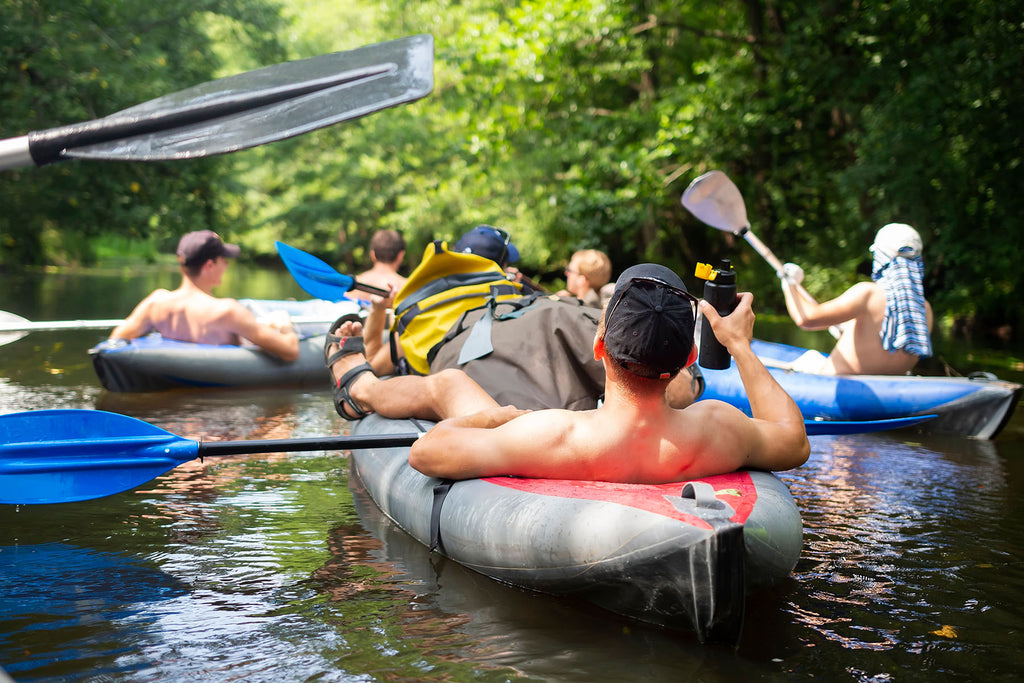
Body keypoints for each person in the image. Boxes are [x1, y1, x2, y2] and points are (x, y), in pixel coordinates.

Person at [326, 263, 809, 484]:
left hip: (559, 441)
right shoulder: (718, 427)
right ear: (687, 360)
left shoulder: (551, 433)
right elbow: (793, 440)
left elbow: (426, 454)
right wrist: (740, 346)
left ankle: (362, 386)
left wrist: (499, 418)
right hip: (674, 445)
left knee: (451, 384)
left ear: (599, 345)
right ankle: (364, 385)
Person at [109, 230, 300, 361]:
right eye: (223, 260)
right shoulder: (227, 310)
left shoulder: (156, 302)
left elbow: (117, 338)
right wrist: (285, 326)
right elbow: (290, 352)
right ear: (209, 265)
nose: (226, 265)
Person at [779, 222, 933, 375]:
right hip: (890, 388)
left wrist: (789, 285)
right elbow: (881, 341)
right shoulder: (924, 309)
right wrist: (848, 330)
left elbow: (805, 319)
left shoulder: (868, 294)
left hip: (839, 383)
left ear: (882, 257)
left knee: (810, 358)